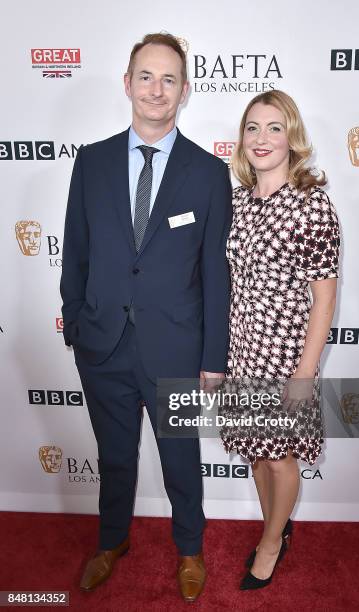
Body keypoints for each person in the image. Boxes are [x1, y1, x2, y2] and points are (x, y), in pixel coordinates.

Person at [60, 32, 232, 602]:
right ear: (127, 83)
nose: (156, 89)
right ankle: (112, 540)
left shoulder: (209, 173)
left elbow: (214, 270)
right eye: (146, 76)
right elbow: (76, 250)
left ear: (185, 91)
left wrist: (213, 357)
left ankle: (189, 549)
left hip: (176, 347)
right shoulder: (92, 160)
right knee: (113, 456)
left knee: (181, 458)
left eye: (169, 79)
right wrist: (76, 324)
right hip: (103, 342)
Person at [221, 90, 340, 590]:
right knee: (255, 449)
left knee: (279, 455)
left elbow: (325, 299)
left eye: (274, 127)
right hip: (243, 349)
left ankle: (270, 543)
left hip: (288, 354)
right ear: (242, 139)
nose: (262, 138)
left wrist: (304, 372)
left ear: (291, 136)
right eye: (253, 127)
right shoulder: (239, 201)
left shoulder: (313, 205)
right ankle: (277, 526)